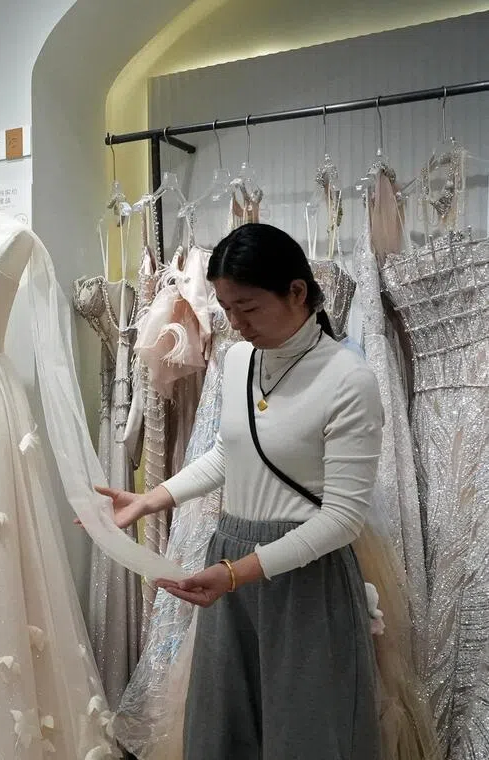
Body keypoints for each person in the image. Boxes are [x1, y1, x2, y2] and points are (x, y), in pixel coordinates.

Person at [101, 222, 382, 759]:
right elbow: (231, 453)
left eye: (248, 308)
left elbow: (342, 521)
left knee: (305, 731)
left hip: (305, 576)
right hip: (230, 556)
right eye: (227, 308)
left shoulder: (349, 379)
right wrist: (151, 499)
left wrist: (236, 573)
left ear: (297, 292)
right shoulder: (237, 361)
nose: (235, 323)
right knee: (225, 726)